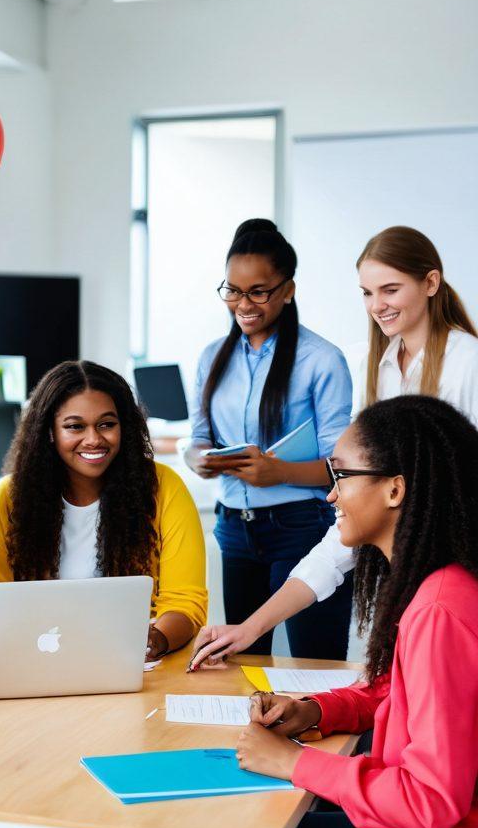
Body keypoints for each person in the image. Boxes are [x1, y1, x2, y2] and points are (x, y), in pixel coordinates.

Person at [187, 394, 478, 828]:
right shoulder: (438, 588)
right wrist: (316, 710)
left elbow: (430, 800)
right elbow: (396, 692)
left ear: (395, 489)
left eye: (341, 476)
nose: (330, 495)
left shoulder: (440, 608)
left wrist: (294, 763)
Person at [0, 360, 207, 828]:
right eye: (75, 426)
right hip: (32, 700)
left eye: (107, 424)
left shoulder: (163, 489)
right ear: (48, 430)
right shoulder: (12, 499)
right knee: (17, 783)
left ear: (126, 426)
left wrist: (151, 639)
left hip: (133, 691)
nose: (93, 439)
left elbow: (186, 604)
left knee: (121, 769)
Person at [190, 225, 478, 669]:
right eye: (366, 292)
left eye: (390, 289)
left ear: (431, 283)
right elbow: (340, 541)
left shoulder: (467, 362)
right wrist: (251, 628)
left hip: (455, 567)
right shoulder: (375, 367)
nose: (376, 305)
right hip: (405, 571)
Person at [184, 219, 353, 660]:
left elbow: (342, 468)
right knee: (241, 662)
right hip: (235, 530)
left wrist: (277, 472)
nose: (244, 304)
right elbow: (197, 439)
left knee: (313, 666)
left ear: (288, 289)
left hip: (302, 527)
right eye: (233, 291)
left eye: (258, 291)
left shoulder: (322, 361)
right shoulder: (210, 359)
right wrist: (200, 459)